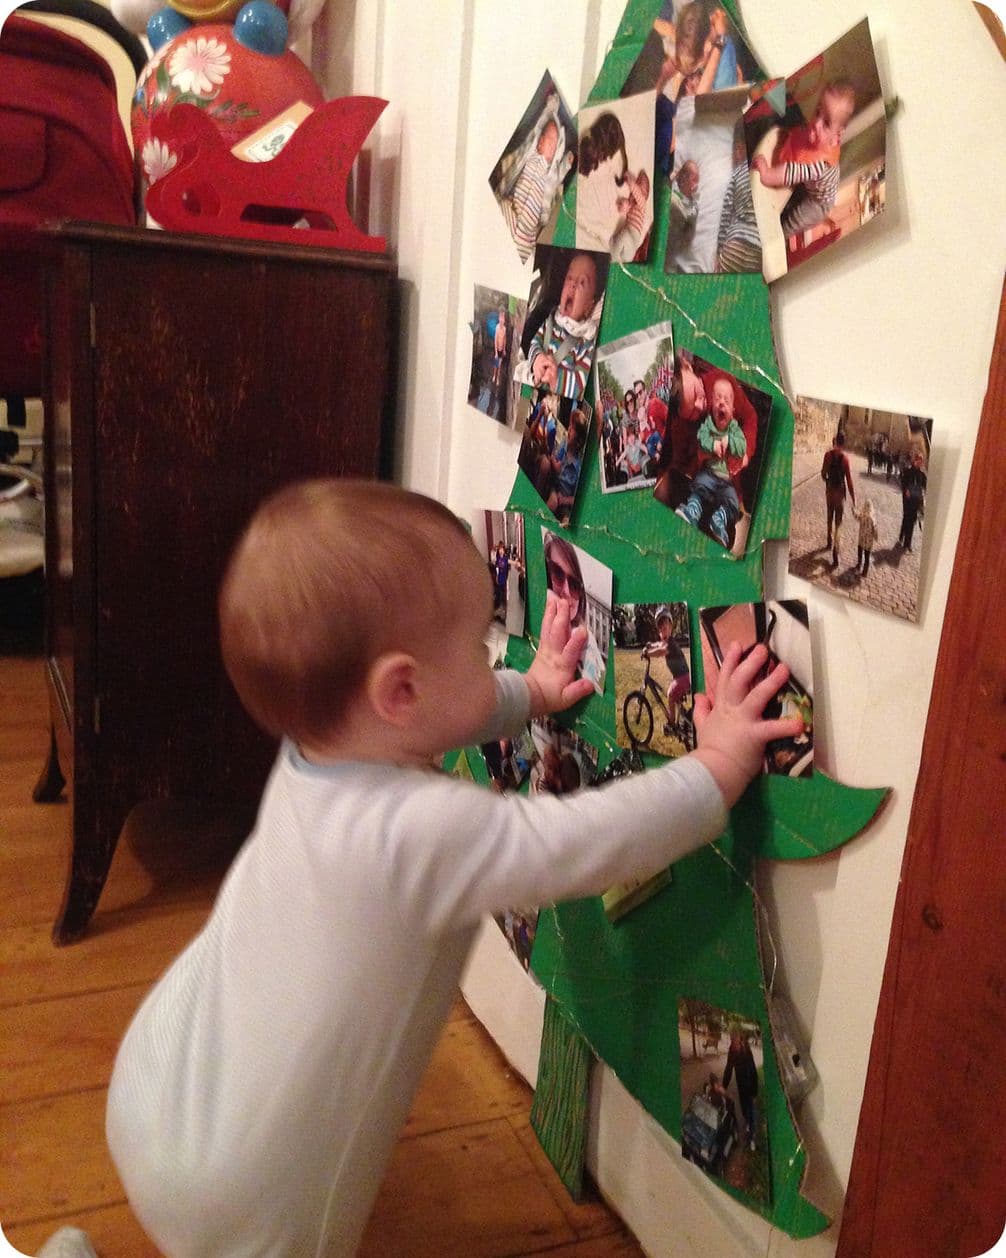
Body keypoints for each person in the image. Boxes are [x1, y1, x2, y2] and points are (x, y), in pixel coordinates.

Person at [105, 479, 800, 1258]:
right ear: (399, 688)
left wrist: (530, 690)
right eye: (477, 646)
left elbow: (433, 710)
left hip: (162, 1083)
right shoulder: (418, 833)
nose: (486, 655)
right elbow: (589, 839)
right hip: (258, 1194)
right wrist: (717, 766)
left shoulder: (314, 755)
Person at [751, 80, 857, 238]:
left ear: (836, 139)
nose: (816, 123)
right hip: (815, 185)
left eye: (826, 123)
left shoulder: (817, 164)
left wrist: (766, 173)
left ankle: (775, 237)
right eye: (818, 112)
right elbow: (798, 134)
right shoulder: (822, 134)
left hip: (818, 204)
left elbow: (787, 173)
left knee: (792, 221)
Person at [497, 95, 572, 264]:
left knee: (522, 245)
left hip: (529, 225)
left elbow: (557, 179)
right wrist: (550, 109)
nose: (553, 145)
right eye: (549, 139)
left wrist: (565, 165)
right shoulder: (531, 155)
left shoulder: (550, 171)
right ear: (539, 143)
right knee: (502, 207)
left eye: (556, 143)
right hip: (513, 207)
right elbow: (532, 136)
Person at [674, 376, 747, 547]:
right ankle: (692, 510)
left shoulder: (734, 429)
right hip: (709, 473)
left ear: (733, 410)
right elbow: (701, 438)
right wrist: (712, 445)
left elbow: (742, 446)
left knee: (733, 503)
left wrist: (730, 441)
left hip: (726, 482)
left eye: (726, 400)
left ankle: (719, 520)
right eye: (717, 398)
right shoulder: (707, 424)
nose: (721, 403)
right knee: (699, 486)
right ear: (711, 406)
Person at [527, 252, 602, 399]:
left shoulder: (586, 341)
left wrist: (557, 380)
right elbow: (535, 342)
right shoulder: (550, 321)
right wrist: (536, 359)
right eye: (569, 278)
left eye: (582, 282)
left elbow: (582, 380)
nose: (573, 284)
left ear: (589, 307)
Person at [576, 112, 649, 261]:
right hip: (628, 236)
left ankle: (614, 258)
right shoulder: (597, 156)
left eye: (641, 186)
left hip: (629, 235)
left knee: (622, 251)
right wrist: (625, 204)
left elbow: (637, 201)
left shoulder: (642, 205)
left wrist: (631, 188)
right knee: (623, 252)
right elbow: (628, 210)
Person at [542, 529, 607, 694]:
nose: (566, 591)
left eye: (574, 585)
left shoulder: (585, 639)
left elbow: (600, 686)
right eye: (557, 573)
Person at [715, 124, 762, 273]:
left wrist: (718, 250)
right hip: (759, 248)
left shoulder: (736, 175)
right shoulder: (762, 171)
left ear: (739, 149)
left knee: (719, 281)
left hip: (736, 242)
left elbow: (725, 216)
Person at [642, 604, 691, 737]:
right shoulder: (666, 640)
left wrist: (648, 653)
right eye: (661, 629)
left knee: (670, 695)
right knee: (677, 700)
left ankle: (672, 725)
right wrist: (650, 645)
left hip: (682, 678)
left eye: (665, 628)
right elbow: (658, 645)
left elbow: (660, 651)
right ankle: (683, 723)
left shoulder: (671, 643)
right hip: (681, 677)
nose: (663, 632)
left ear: (671, 627)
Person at [821, 429, 856, 568]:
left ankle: (829, 540)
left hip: (830, 491)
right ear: (844, 443)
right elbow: (849, 480)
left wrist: (828, 480)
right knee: (839, 523)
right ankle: (836, 552)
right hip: (840, 493)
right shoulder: (845, 459)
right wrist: (854, 498)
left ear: (835, 441)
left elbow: (823, 474)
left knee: (829, 516)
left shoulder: (827, 455)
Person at [722, 1028, 759, 1152]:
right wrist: (723, 1086)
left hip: (750, 1085)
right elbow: (728, 1069)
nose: (734, 1045)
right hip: (741, 1085)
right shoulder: (732, 1052)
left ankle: (752, 1138)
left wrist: (755, 1090)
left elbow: (753, 1070)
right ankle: (747, 1123)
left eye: (736, 1042)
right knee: (744, 1108)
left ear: (740, 1041)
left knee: (752, 1111)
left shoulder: (746, 1050)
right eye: (733, 1043)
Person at [898, 450, 927, 551]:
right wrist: (905, 490)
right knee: (906, 519)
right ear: (914, 460)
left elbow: (925, 486)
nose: (919, 462)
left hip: (915, 501)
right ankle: (902, 535)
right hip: (907, 500)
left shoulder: (922, 475)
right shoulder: (908, 471)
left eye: (921, 461)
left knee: (912, 521)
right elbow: (902, 482)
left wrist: (923, 493)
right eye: (917, 460)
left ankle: (907, 543)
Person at [853, 499, 878, 575]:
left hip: (861, 539)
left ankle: (859, 564)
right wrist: (876, 537)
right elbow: (875, 529)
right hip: (869, 542)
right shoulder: (872, 518)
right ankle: (865, 571)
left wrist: (853, 510)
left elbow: (856, 517)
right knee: (867, 557)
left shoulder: (862, 514)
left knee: (860, 552)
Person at [491, 307, 508, 391]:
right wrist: (496, 352)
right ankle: (494, 375)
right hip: (497, 349)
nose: (502, 320)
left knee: (500, 366)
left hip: (501, 350)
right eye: (501, 318)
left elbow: (504, 339)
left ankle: (498, 378)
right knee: (496, 365)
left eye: (503, 318)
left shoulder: (505, 329)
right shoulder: (497, 328)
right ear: (499, 319)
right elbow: (495, 340)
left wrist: (504, 349)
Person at [492, 540, 510, 618]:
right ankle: (501, 607)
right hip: (499, 576)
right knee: (499, 591)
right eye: (499, 550)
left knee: (503, 592)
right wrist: (496, 576)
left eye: (501, 549)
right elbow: (496, 567)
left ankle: (504, 608)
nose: (500, 551)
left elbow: (508, 565)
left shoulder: (505, 558)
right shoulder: (498, 558)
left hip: (504, 577)